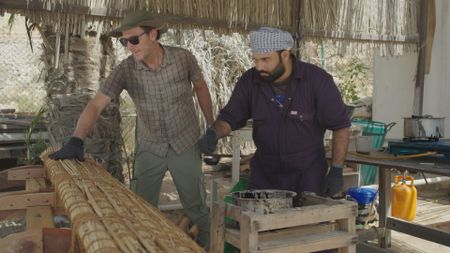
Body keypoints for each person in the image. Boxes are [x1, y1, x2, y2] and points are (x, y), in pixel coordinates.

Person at [49, 10, 212, 249]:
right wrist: (77, 140)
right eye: (124, 41)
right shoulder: (125, 70)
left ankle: (208, 246)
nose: (129, 46)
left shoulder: (182, 58)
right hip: (150, 146)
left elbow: (200, 86)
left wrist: (211, 127)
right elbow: (96, 104)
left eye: (134, 40)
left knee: (196, 207)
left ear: (153, 34)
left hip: (184, 142)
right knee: (141, 208)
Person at [199, 27, 350, 198]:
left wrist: (337, 170)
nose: (259, 66)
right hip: (265, 174)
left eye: (265, 59)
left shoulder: (317, 81)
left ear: (285, 55)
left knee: (304, 224)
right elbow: (230, 117)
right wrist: (214, 133)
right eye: (255, 60)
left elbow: (341, 126)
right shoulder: (250, 81)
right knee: (259, 222)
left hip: (307, 176)